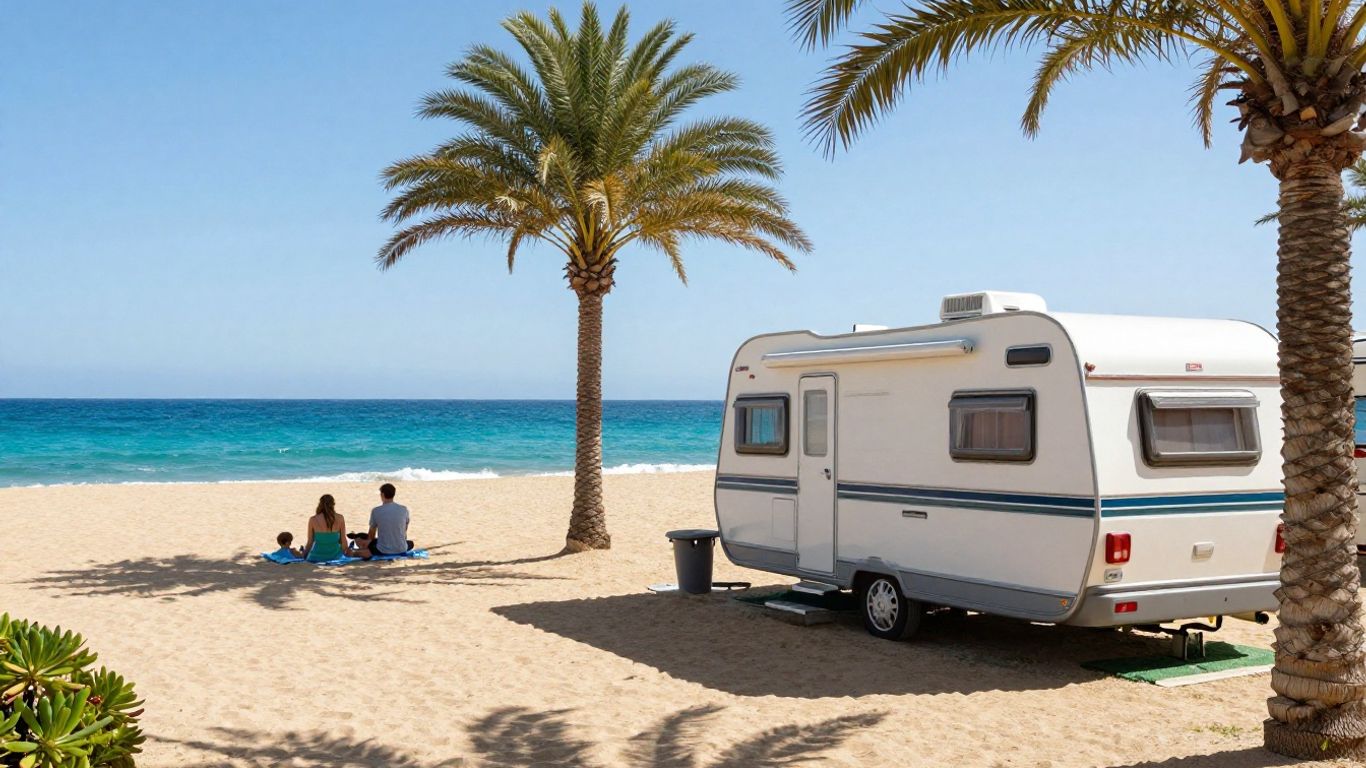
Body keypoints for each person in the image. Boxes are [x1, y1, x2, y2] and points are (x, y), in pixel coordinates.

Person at [350, 482, 412, 560]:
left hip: (383, 550)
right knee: (411, 543)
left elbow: (371, 535)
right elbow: (404, 530)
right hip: (401, 548)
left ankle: (359, 550)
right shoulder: (404, 509)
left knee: (360, 539)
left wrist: (367, 543)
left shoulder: (376, 511)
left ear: (382, 495)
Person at [303, 494, 347, 563]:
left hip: (316, 557)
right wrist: (345, 553)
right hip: (335, 556)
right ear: (333, 504)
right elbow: (343, 540)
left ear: (320, 504)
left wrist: (304, 556)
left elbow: (310, 542)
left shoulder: (313, 519)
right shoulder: (340, 518)